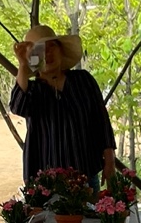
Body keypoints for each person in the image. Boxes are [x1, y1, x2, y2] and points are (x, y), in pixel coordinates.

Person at [9, 24, 116, 185]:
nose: (47, 53)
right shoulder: (32, 90)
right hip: (47, 182)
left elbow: (101, 121)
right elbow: (17, 106)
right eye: (40, 50)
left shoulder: (83, 80)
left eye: (52, 46)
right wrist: (23, 66)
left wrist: (110, 161)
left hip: (86, 173)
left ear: (61, 50)